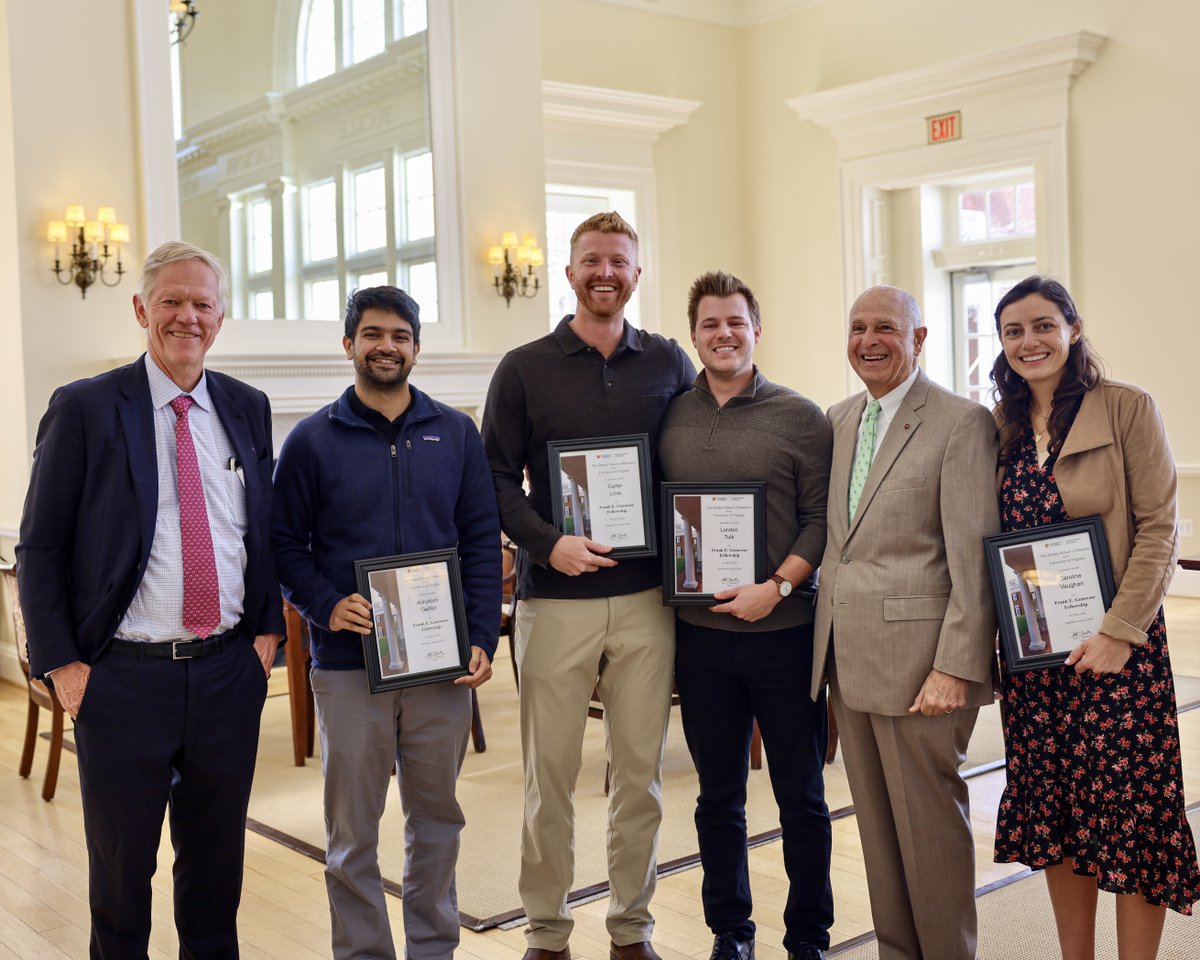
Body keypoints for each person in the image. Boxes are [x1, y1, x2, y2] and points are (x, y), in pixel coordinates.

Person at [16, 241, 283, 958]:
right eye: (171, 301)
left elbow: (261, 527)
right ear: (141, 309)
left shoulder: (248, 409)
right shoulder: (85, 408)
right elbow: (38, 548)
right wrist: (62, 665)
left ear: (220, 320)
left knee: (216, 874)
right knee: (123, 877)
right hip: (123, 679)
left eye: (201, 304)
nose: (186, 317)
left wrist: (265, 632)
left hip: (228, 674)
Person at [482, 211, 694, 960]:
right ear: (570, 273)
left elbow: (695, 460)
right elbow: (495, 479)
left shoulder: (669, 360)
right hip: (553, 599)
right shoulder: (524, 367)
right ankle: (546, 930)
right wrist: (548, 543)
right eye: (592, 261)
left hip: (647, 603)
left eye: (619, 262)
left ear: (637, 274)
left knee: (640, 777)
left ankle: (631, 928)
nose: (606, 272)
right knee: (550, 780)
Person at [272, 285, 501, 960]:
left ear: (416, 349)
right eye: (372, 334)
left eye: (400, 335)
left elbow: (481, 537)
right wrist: (323, 603)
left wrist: (482, 635)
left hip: (440, 665)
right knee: (353, 836)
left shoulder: (455, 433)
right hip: (348, 669)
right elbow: (284, 544)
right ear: (348, 345)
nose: (386, 346)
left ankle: (434, 949)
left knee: (437, 823)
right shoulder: (312, 441)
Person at [989, 275, 1200, 958]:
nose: (1031, 341)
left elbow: (1159, 530)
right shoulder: (1001, 426)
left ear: (1073, 330)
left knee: (1134, 821)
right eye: (1015, 330)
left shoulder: (1125, 408)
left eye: (1044, 325)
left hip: (1119, 654)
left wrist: (1118, 634)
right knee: (1058, 820)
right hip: (1037, 662)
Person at [810, 284, 999, 960]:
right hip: (847, 662)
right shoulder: (835, 421)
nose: (869, 340)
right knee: (879, 835)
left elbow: (975, 558)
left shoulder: (959, 422)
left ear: (919, 338)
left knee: (930, 834)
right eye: (858, 326)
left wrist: (956, 665)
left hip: (925, 670)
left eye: (886, 327)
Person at [659, 271, 833, 960]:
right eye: (709, 325)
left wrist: (779, 587)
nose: (723, 335)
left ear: (756, 330)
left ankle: (808, 936)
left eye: (736, 322)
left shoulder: (800, 416)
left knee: (803, 798)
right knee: (718, 798)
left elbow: (823, 522)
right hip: (701, 643)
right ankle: (731, 932)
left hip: (786, 637)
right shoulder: (671, 414)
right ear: (694, 335)